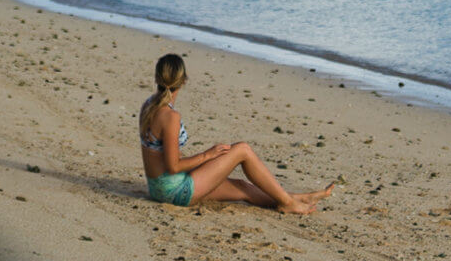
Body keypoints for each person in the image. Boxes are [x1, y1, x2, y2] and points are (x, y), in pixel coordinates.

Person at [139, 53, 334, 213]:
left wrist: (206, 160)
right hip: (174, 190)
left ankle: (297, 198)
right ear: (183, 81)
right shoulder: (170, 116)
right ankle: (289, 204)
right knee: (242, 150)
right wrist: (208, 155)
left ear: (157, 78)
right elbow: (173, 166)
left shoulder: (148, 105)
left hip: (159, 188)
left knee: (242, 187)